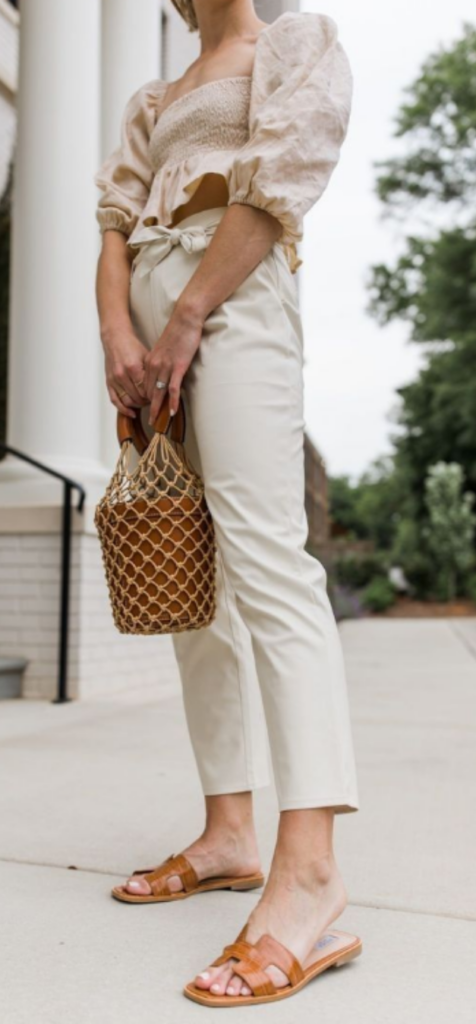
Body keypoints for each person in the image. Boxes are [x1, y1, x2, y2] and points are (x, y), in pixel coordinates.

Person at [94, 0, 361, 1007]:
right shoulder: (151, 95)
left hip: (233, 294)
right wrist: (120, 334)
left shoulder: (291, 43)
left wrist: (189, 312)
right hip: (152, 319)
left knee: (265, 564)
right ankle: (228, 832)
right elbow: (114, 227)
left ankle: (310, 872)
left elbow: (283, 181)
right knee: (187, 584)